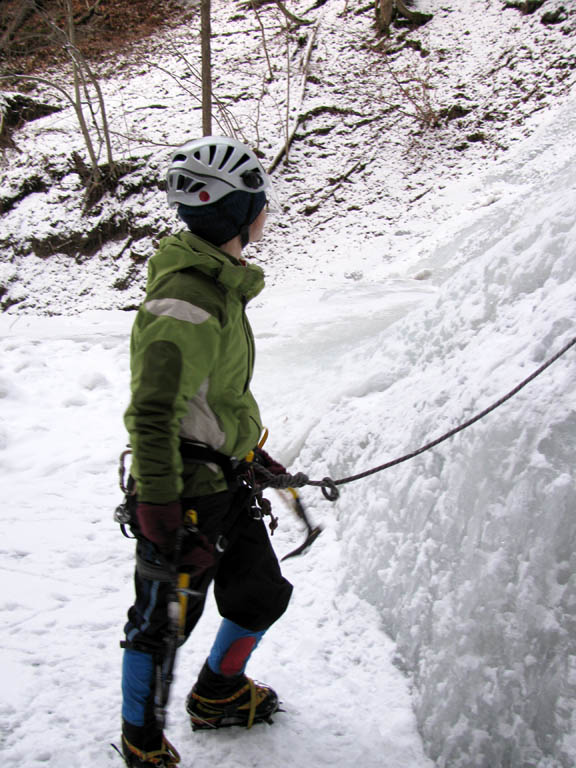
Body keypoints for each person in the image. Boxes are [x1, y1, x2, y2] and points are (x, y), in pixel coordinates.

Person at [118, 136, 294, 768]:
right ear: (239, 213)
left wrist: (252, 455)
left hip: (225, 481)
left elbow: (215, 396)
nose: (266, 210)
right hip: (187, 494)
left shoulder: (219, 284)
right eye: (260, 200)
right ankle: (141, 743)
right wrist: (160, 505)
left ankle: (217, 697)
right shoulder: (187, 298)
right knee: (162, 622)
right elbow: (154, 411)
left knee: (260, 594)